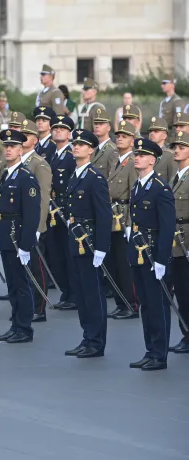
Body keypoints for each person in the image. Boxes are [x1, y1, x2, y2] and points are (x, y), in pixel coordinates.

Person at [127, 138, 175, 371]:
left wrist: (161, 260)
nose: (137, 157)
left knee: (158, 304)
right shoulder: (138, 185)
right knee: (145, 304)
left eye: (142, 154)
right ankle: (150, 350)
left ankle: (160, 355)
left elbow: (167, 228)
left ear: (152, 160)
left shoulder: (160, 188)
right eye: (136, 153)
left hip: (154, 252)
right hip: (138, 251)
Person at [63, 129, 112, 358]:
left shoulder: (95, 177)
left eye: (81, 144)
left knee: (93, 293)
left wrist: (101, 248)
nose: (76, 147)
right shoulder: (76, 175)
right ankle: (87, 336)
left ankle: (96, 341)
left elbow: (104, 215)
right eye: (75, 143)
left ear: (91, 149)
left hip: (90, 243)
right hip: (76, 240)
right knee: (81, 294)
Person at [0, 130, 40, 343]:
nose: (8, 149)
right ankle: (15, 324)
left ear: (21, 150)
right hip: (5, 234)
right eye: (6, 146)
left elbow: (32, 214)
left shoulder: (26, 177)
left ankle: (24, 328)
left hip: (18, 236)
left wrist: (26, 245)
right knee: (12, 283)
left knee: (22, 284)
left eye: (13, 146)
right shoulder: (6, 174)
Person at [19, 120, 53, 322]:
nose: (22, 138)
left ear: (35, 140)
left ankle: (38, 308)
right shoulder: (17, 162)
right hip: (18, 222)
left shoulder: (39, 163)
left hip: (32, 223)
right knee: (21, 268)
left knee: (35, 266)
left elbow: (44, 197)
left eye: (27, 135)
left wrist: (39, 226)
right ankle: (24, 306)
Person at [107, 120, 140, 319]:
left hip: (124, 217)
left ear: (133, 140)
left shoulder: (133, 162)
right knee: (115, 264)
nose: (120, 138)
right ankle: (121, 302)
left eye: (125, 136)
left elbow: (135, 195)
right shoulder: (115, 160)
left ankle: (132, 304)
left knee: (125, 265)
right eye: (118, 135)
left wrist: (130, 223)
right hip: (112, 218)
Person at [45, 115, 77, 310]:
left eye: (62, 129)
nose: (58, 131)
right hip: (53, 210)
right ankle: (66, 291)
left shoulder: (72, 155)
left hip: (66, 209)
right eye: (55, 128)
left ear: (69, 133)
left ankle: (73, 294)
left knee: (68, 253)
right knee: (56, 255)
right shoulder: (52, 154)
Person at [169, 131, 189, 354]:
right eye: (175, 146)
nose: (177, 149)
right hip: (176, 241)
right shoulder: (177, 176)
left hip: (187, 240)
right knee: (181, 291)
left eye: (182, 146)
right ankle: (186, 334)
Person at [148, 117, 178, 181]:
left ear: (164, 136)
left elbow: (172, 181)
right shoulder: (144, 154)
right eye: (150, 131)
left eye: (156, 131)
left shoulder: (170, 156)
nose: (152, 133)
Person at [159, 73, 185, 145]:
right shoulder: (163, 102)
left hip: (170, 139)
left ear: (172, 84)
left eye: (165, 83)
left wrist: (172, 140)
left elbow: (178, 122)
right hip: (162, 138)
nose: (162, 86)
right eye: (162, 83)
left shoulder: (177, 101)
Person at [91, 108, 116, 178]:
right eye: (95, 123)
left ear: (109, 128)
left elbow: (112, 178)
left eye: (101, 124)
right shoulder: (92, 148)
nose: (97, 126)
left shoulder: (113, 150)